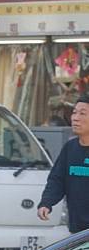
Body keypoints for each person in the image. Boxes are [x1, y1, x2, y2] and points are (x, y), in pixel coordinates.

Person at [38, 95, 89, 234]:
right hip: (76, 231)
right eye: (74, 112)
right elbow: (57, 179)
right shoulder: (70, 148)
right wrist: (46, 203)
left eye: (82, 113)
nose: (75, 118)